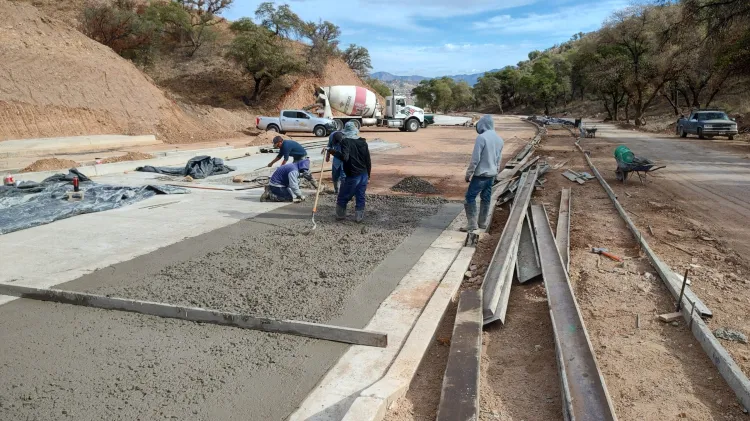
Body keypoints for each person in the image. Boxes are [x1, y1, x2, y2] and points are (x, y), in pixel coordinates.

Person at [462, 114, 504, 232]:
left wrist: (468, 174)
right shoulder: (499, 139)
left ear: (482, 124)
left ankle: (472, 224)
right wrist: (496, 174)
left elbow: (475, 158)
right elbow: (498, 160)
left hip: (480, 175)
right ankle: (482, 223)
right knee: (486, 198)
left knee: (469, 198)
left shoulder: (482, 138)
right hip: (491, 175)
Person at [330, 121, 371, 222]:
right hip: (364, 174)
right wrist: (368, 175)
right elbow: (368, 160)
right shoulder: (363, 142)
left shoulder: (346, 141)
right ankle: (358, 217)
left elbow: (345, 157)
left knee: (343, 195)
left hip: (353, 174)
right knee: (360, 195)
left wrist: (333, 152)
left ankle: (340, 215)